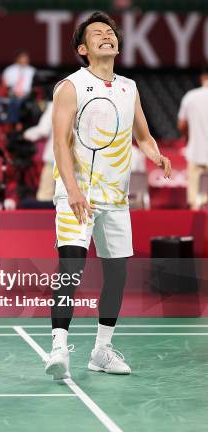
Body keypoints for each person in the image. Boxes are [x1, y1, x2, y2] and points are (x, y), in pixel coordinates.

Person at [47, 12, 171, 379]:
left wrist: (156, 154)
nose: (107, 35)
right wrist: (71, 189)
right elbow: (59, 142)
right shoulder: (70, 86)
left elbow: (143, 135)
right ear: (83, 49)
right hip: (78, 194)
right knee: (71, 267)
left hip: (116, 197)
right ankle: (58, 348)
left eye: (110, 32)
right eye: (97, 33)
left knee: (116, 274)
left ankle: (101, 350)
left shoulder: (129, 87)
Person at [178, 66, 208, 210]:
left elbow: (182, 124)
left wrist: (188, 135)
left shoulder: (190, 97)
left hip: (195, 153)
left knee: (194, 202)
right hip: (196, 153)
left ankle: (197, 232)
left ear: (203, 78)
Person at [23, 101, 54, 201]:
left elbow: (43, 130)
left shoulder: (56, 104)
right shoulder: (88, 101)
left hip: (55, 159)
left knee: (45, 196)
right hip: (80, 160)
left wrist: (26, 134)